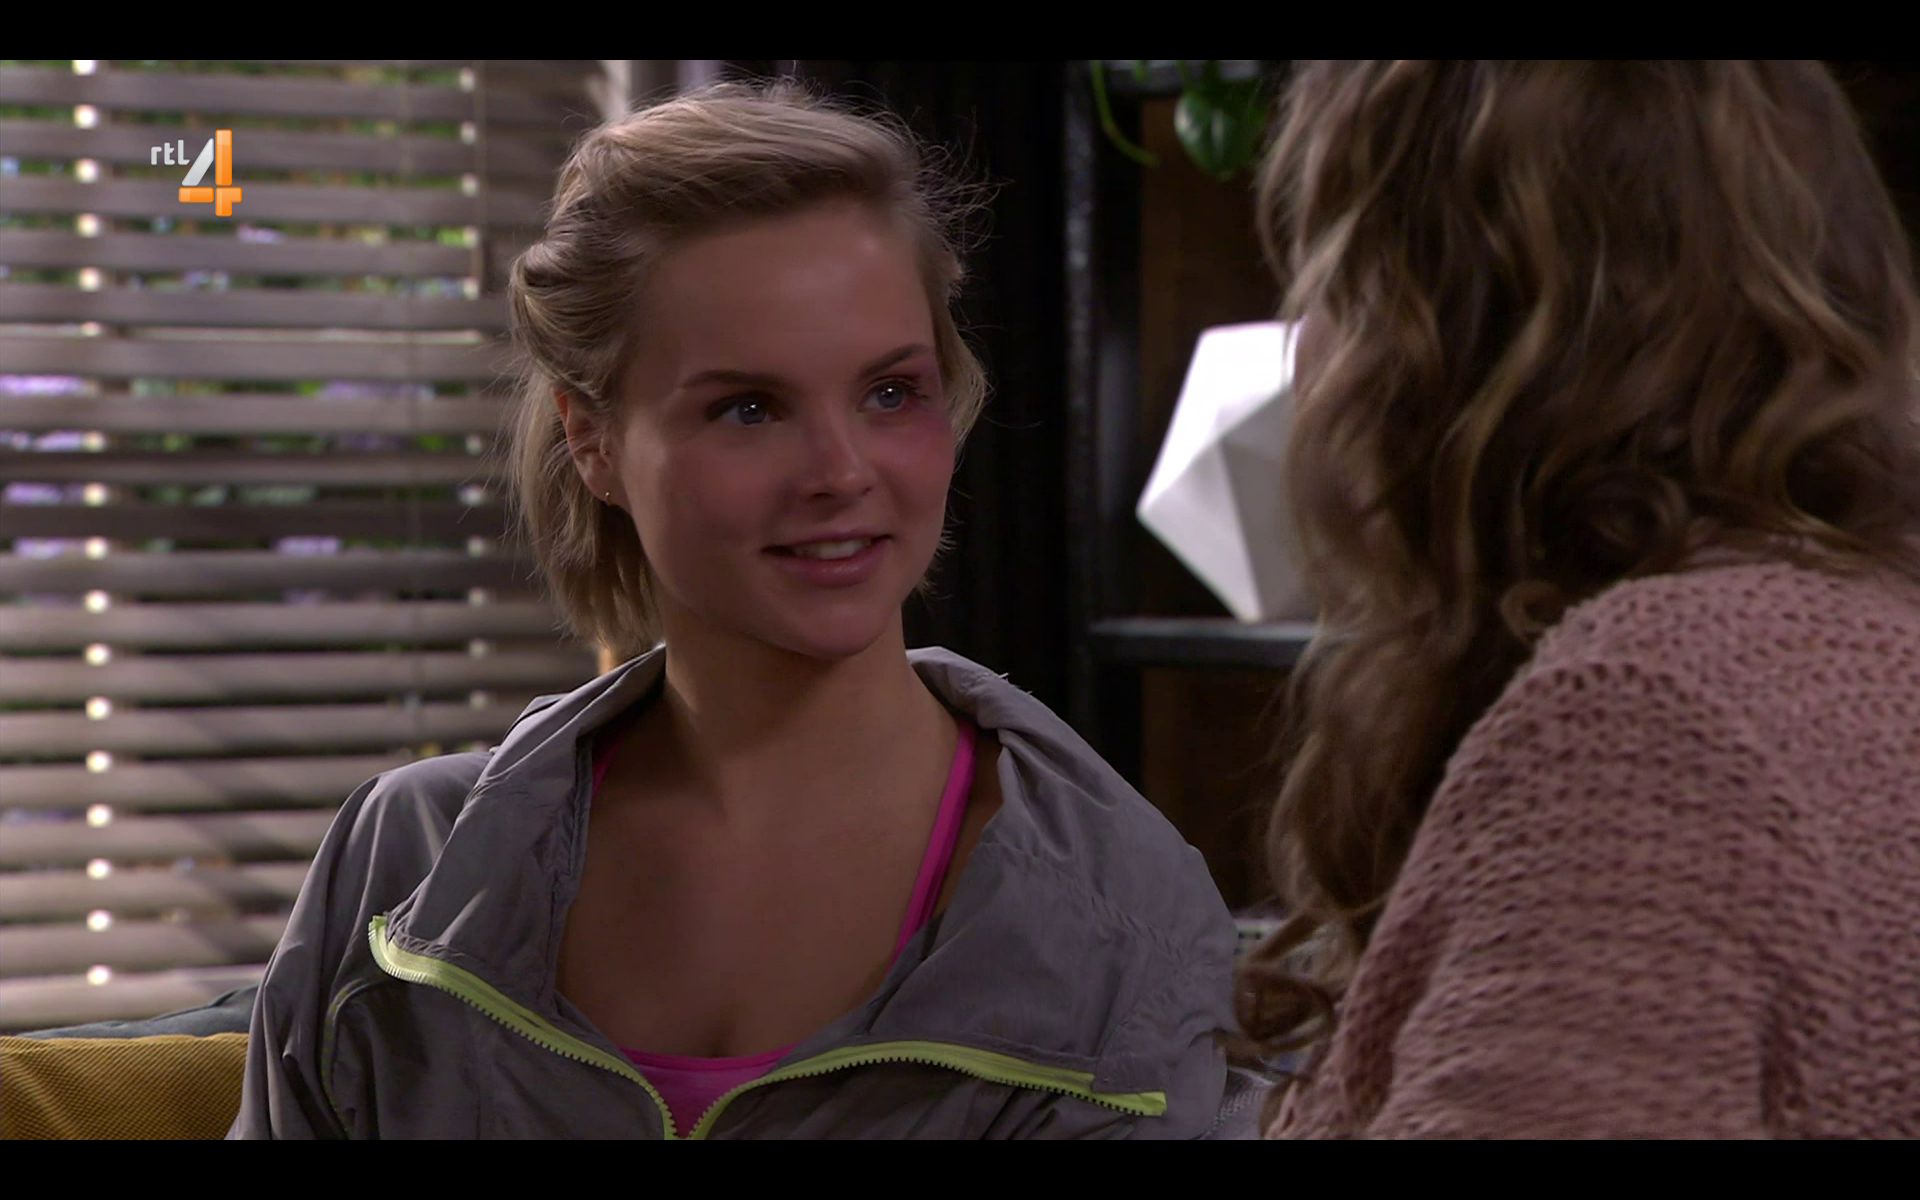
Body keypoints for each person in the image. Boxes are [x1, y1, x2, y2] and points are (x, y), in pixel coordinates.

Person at [229, 79, 1245, 1140]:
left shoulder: (1120, 917)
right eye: (749, 408)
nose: (841, 472)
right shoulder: (404, 865)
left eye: (890, 392)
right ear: (593, 440)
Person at [1237, 60, 1920, 1138]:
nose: (1304, 343)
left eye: (1328, 276)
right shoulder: (1866, 626)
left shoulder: (1651, 722)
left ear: (1441, 329)